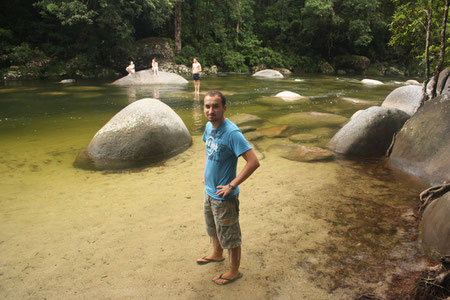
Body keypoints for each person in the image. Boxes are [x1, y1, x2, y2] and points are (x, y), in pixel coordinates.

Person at [197, 91, 260, 285]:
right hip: (209, 191)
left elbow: (253, 162)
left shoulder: (232, 133)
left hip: (225, 197)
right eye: (207, 106)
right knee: (213, 228)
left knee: (230, 235)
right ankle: (217, 254)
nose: (211, 110)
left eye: (215, 106)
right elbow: (209, 150)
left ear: (224, 108)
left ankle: (234, 271)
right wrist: (205, 172)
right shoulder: (209, 127)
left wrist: (232, 185)